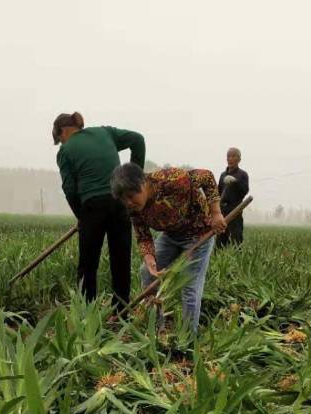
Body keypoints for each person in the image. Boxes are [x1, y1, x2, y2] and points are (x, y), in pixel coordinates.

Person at [110, 163, 226, 334]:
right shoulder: (133, 209)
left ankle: (188, 338)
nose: (128, 203)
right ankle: (158, 328)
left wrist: (216, 213)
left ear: (142, 184)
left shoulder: (173, 180)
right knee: (146, 273)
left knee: (190, 286)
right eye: (123, 199)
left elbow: (207, 177)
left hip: (199, 234)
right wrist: (149, 258)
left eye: (131, 195)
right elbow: (143, 235)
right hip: (171, 236)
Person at [53, 112, 145, 310]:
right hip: (119, 202)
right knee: (121, 260)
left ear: (63, 131)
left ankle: (88, 315)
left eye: (59, 139)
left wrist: (81, 216)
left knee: (88, 264)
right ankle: (121, 311)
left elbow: (69, 189)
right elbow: (138, 140)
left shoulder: (65, 150)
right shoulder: (105, 133)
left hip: (92, 206)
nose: (61, 143)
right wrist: (132, 180)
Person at [216, 148, 249, 248]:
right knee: (221, 238)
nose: (230, 158)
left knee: (236, 237)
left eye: (233, 156)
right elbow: (218, 192)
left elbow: (245, 191)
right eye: (228, 156)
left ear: (239, 159)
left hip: (235, 209)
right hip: (222, 210)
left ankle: (238, 258)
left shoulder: (242, 174)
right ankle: (220, 258)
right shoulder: (223, 175)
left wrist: (235, 182)